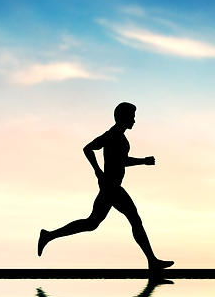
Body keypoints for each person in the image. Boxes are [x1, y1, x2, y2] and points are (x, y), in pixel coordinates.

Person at [38, 102, 173, 269]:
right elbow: (88, 148)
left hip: (111, 187)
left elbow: (121, 162)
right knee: (134, 219)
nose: (134, 121)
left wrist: (142, 162)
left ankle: (48, 235)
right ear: (124, 117)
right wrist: (98, 172)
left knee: (92, 223)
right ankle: (152, 261)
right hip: (111, 188)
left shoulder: (120, 137)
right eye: (132, 117)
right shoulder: (113, 135)